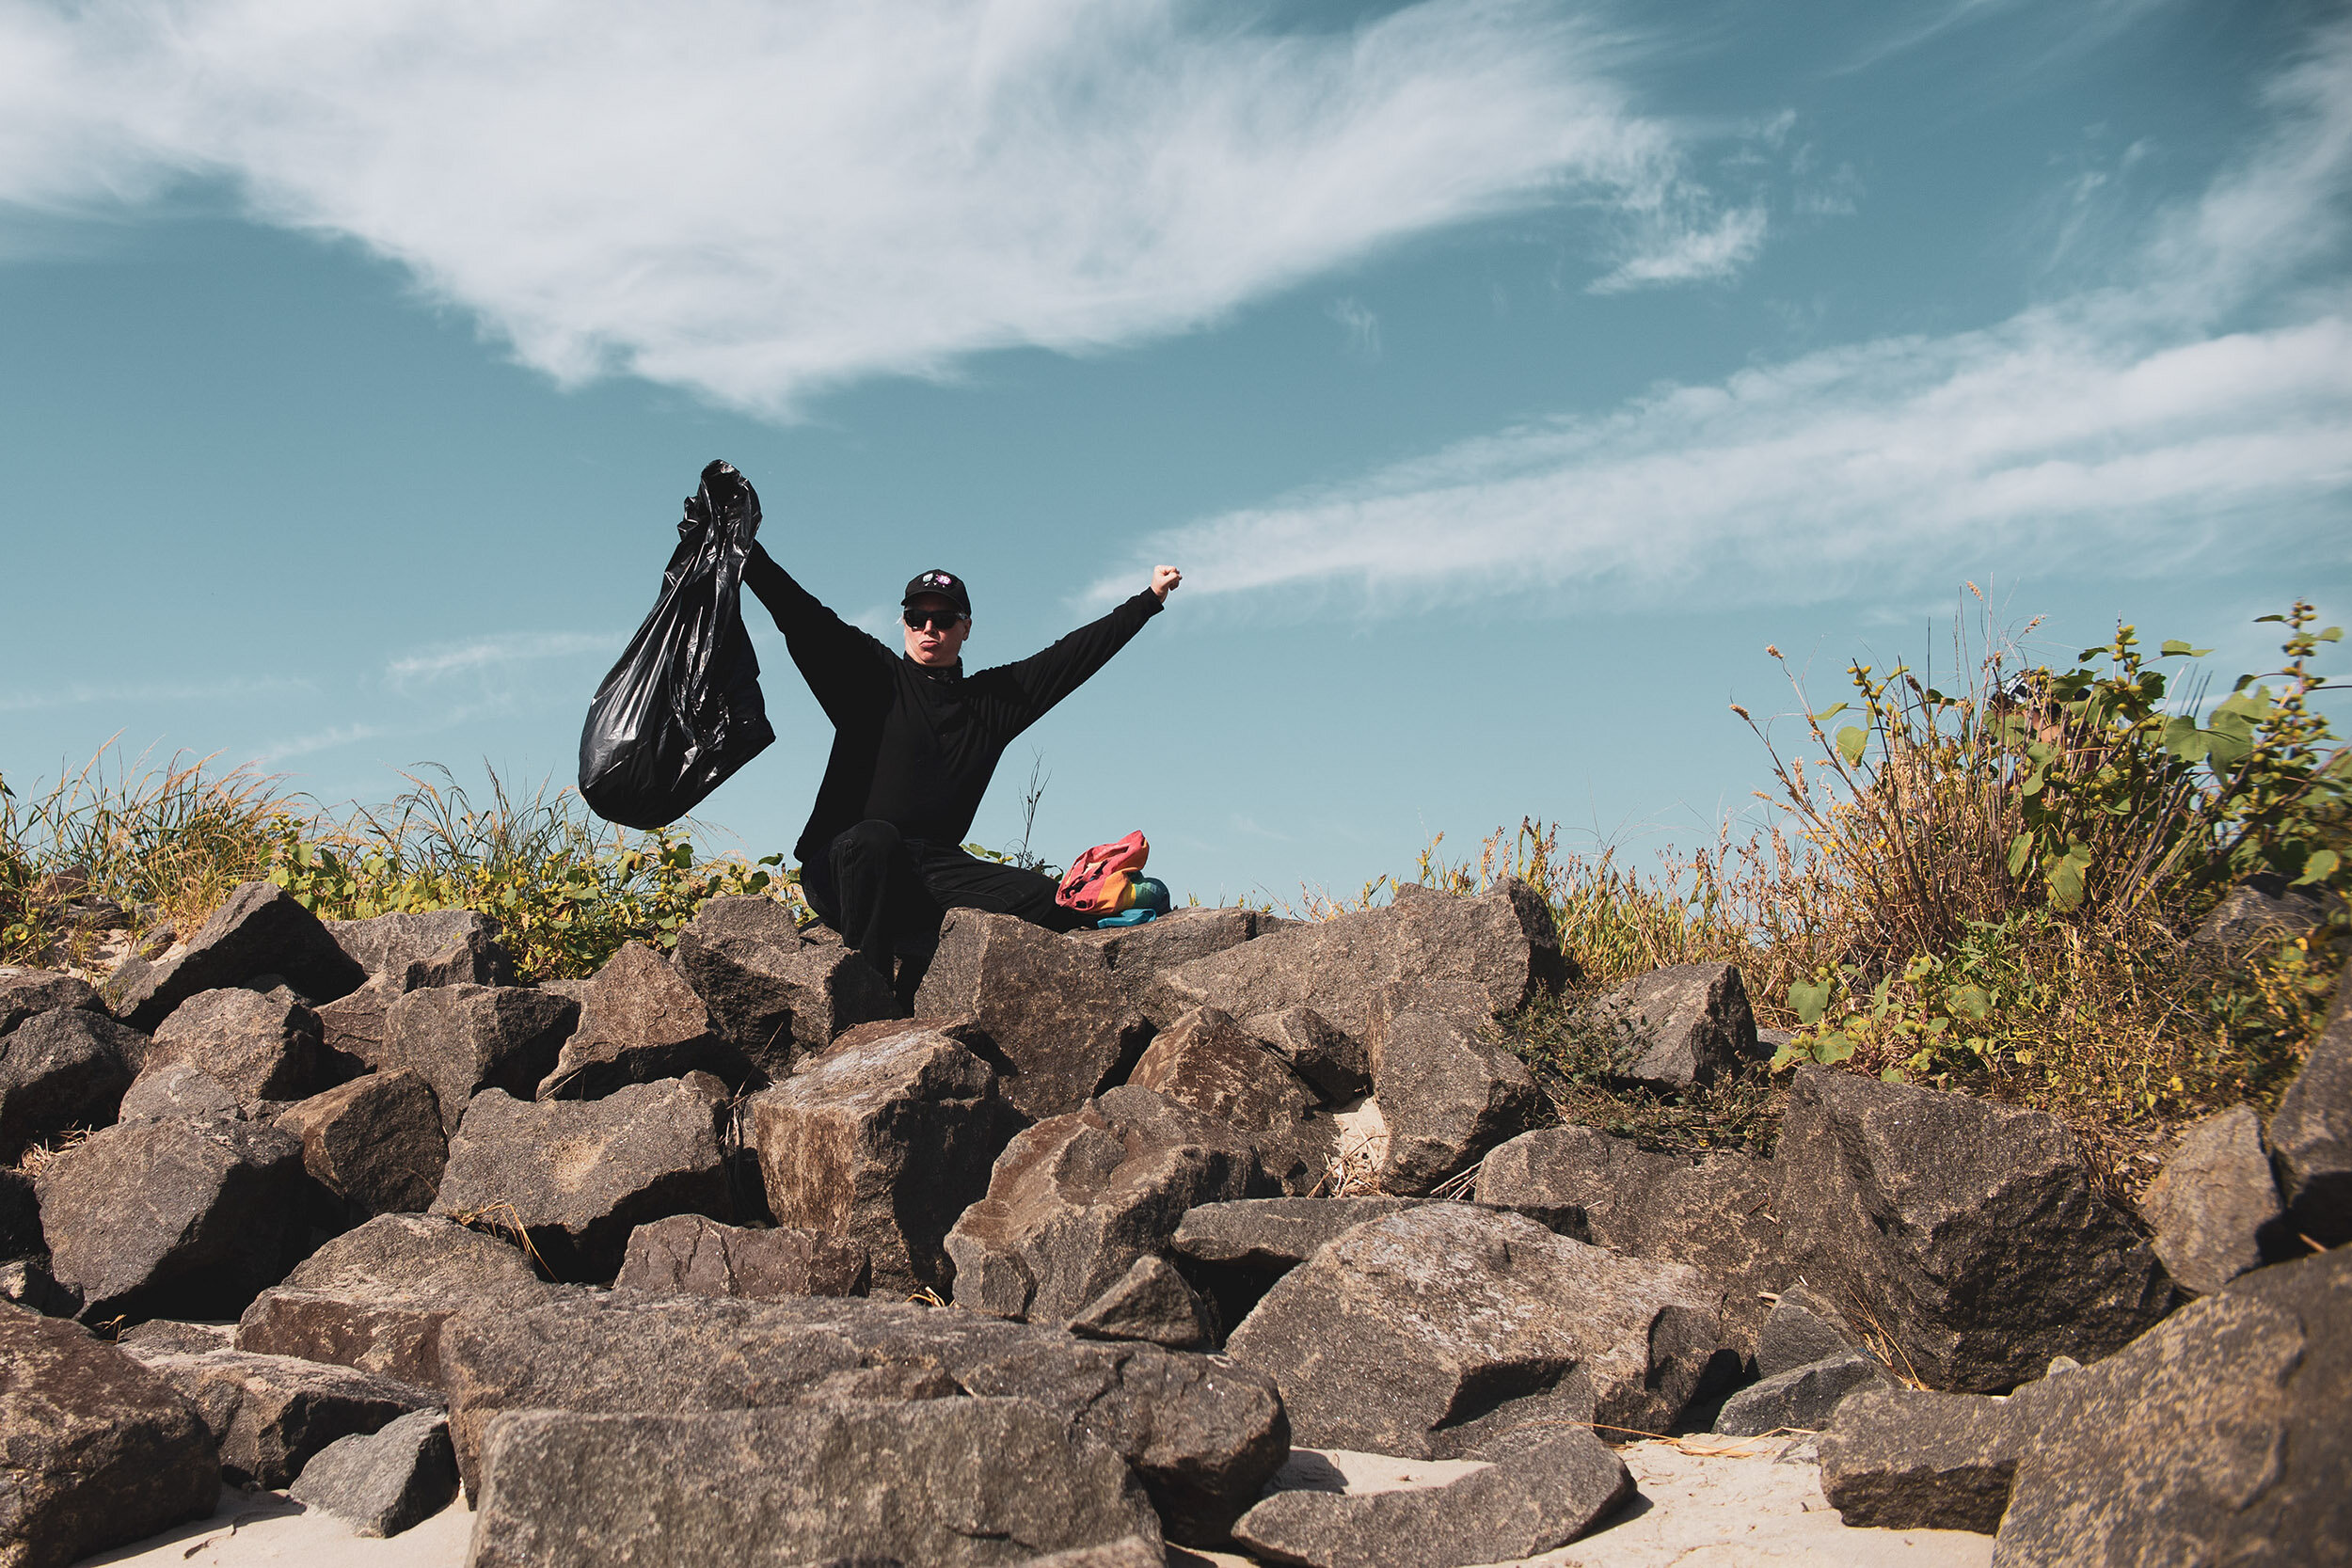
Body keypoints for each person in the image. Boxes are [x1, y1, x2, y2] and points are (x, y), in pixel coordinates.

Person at [741, 541, 1180, 1008]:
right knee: (875, 838)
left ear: (965, 627)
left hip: (926, 874)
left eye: (944, 619)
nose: (929, 628)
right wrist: (743, 546)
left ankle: (1097, 910)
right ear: (904, 623)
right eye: (917, 618)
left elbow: (1071, 658)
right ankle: (867, 1007)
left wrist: (1148, 600)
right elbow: (801, 615)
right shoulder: (871, 678)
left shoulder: (990, 704)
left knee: (1050, 900)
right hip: (844, 869)